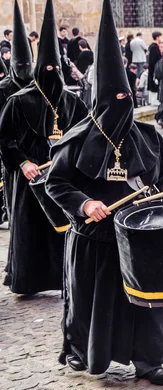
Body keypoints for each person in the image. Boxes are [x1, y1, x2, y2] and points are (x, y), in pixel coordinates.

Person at [46, 1, 163, 384]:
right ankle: (80, 351)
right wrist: (86, 203)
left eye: (126, 100)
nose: (121, 108)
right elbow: (55, 183)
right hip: (94, 237)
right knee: (92, 301)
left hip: (140, 233)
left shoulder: (147, 136)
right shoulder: (76, 142)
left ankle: (149, 361)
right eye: (113, 101)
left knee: (146, 302)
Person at [0, 0, 87, 295]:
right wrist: (23, 163)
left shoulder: (72, 101)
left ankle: (65, 277)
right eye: (45, 69)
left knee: (62, 228)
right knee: (29, 228)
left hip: (59, 173)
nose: (50, 73)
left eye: (55, 69)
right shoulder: (17, 101)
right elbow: (6, 139)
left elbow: (84, 134)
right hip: (29, 174)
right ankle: (29, 279)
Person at [147, 32, 162, 104]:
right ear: (157, 37)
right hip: (155, 70)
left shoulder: (154, 47)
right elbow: (155, 60)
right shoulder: (154, 47)